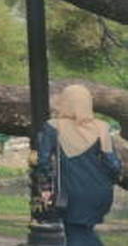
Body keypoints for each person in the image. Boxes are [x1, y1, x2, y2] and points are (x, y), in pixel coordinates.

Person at [36, 84, 123, 246]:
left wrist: (46, 188)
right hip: (100, 191)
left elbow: (43, 161)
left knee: (76, 234)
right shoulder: (102, 127)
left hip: (71, 192)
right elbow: (113, 165)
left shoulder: (53, 127)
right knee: (83, 232)